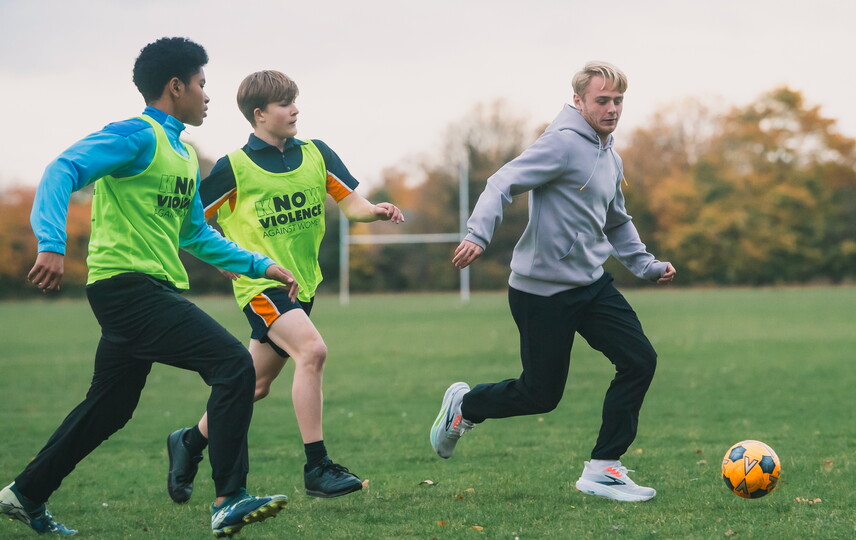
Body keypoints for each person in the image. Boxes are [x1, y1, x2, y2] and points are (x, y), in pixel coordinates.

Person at [0, 38, 295, 537]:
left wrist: (258, 264)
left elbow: (194, 234)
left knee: (110, 409)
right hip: (127, 289)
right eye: (202, 84)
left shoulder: (182, 154)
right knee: (232, 365)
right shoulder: (136, 136)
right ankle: (229, 498)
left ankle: (24, 494)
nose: (207, 95)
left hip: (148, 290)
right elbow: (61, 170)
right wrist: (51, 242)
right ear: (175, 86)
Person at [430, 61, 677, 502]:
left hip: (591, 285)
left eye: (618, 100)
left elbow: (617, 221)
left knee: (640, 360)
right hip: (540, 291)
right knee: (541, 394)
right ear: (578, 101)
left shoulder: (610, 156)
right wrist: (477, 234)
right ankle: (466, 407)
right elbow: (501, 182)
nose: (613, 108)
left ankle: (603, 468)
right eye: (603, 100)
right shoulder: (561, 145)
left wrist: (647, 265)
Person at [165, 70, 404, 504]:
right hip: (262, 287)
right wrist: (224, 258)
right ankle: (318, 467)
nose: (294, 109)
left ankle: (188, 443)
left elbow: (351, 204)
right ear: (259, 114)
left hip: (303, 287)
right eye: (283, 103)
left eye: (294, 100)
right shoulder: (233, 167)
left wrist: (376, 211)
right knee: (312, 351)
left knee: (252, 386)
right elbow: (189, 223)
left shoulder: (317, 153)